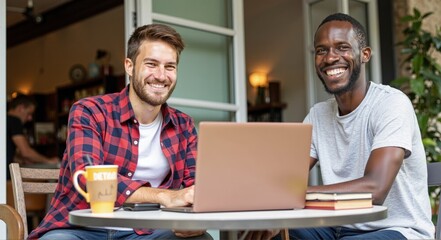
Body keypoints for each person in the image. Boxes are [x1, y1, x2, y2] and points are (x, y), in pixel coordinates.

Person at [29, 24, 211, 239]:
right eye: (151, 64)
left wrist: (198, 217)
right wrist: (166, 196)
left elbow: (199, 185)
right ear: (129, 66)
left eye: (170, 66)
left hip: (147, 232)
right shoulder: (90, 111)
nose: (161, 76)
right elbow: (88, 176)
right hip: (80, 230)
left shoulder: (183, 125)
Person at [280, 13, 434, 239]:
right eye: (321, 50)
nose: (330, 58)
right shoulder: (317, 115)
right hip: (337, 228)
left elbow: (375, 189)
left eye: (342, 47)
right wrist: (275, 210)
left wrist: (295, 194)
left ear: (364, 54)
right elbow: (284, 178)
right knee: (276, 233)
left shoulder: (391, 103)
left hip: (398, 229)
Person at [7, 94, 59, 180]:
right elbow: (26, 152)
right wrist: (48, 161)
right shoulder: (14, 121)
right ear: (21, 108)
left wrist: (20, 159)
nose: (30, 118)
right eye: (29, 113)